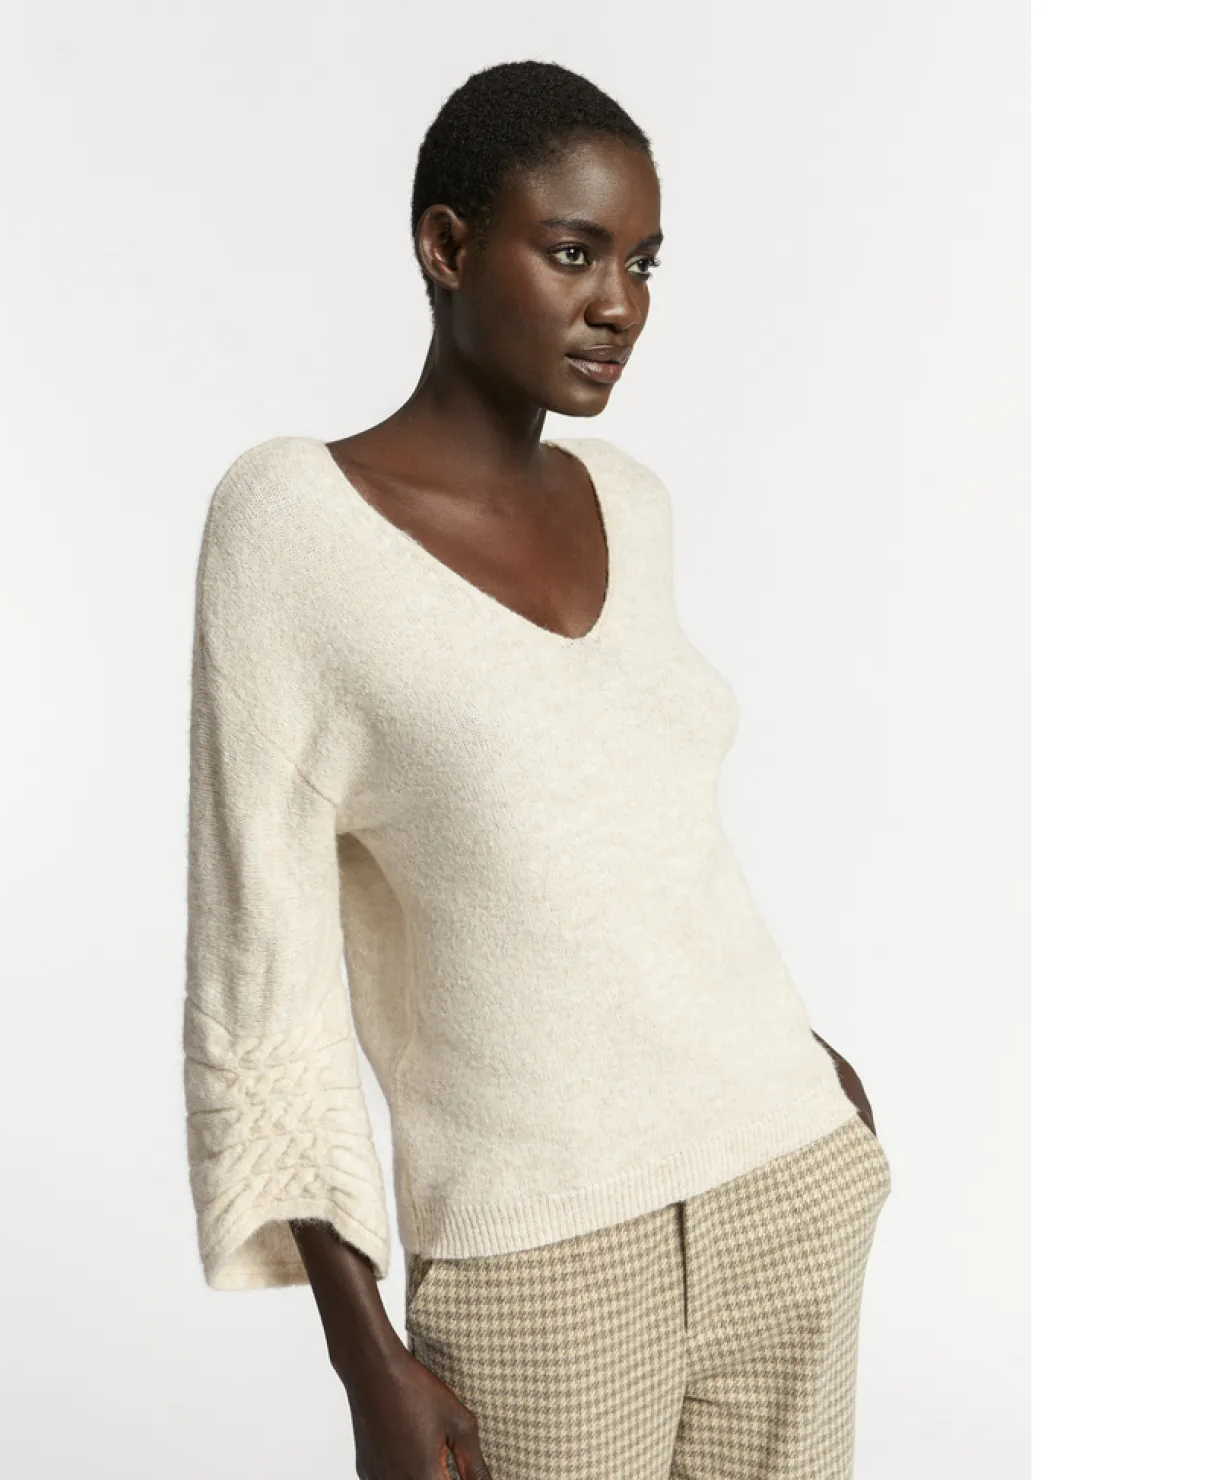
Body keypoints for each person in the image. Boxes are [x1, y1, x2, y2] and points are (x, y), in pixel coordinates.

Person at [183, 58, 890, 1480]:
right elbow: (262, 968)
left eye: (642, 262)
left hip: (786, 1174)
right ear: (446, 246)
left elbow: (636, 832)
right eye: (573, 252)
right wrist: (363, 1353)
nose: (618, 302)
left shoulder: (632, 500)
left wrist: (808, 1072)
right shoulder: (290, 522)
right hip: (541, 1254)